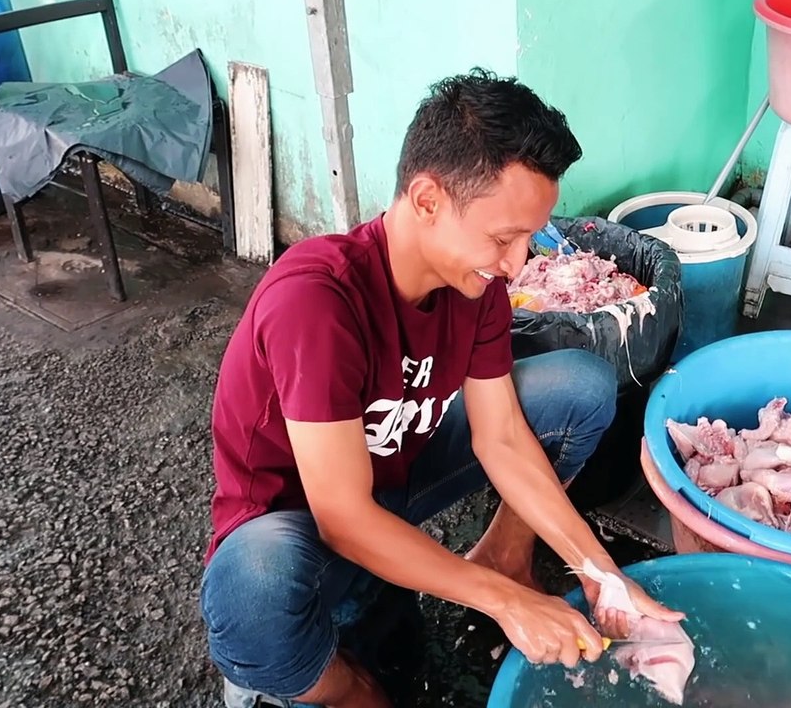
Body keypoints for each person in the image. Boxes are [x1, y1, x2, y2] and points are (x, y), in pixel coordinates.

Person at [198, 68, 684, 708]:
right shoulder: (317, 300)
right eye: (503, 237)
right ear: (427, 200)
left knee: (578, 386)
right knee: (255, 583)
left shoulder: (475, 288)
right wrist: (510, 608)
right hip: (302, 529)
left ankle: (498, 559)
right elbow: (341, 517)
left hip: (393, 486)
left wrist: (603, 576)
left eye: (527, 240)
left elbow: (503, 438)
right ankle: (328, 683)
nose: (516, 264)